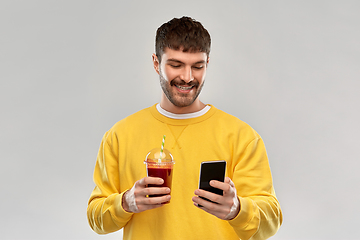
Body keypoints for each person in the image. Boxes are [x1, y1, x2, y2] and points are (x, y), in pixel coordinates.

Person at [87, 16, 283, 240]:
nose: (187, 77)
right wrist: (125, 202)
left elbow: (271, 222)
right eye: (176, 65)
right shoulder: (119, 135)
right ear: (156, 63)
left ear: (207, 64)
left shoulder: (242, 137)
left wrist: (237, 210)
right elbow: (96, 219)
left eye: (197, 66)